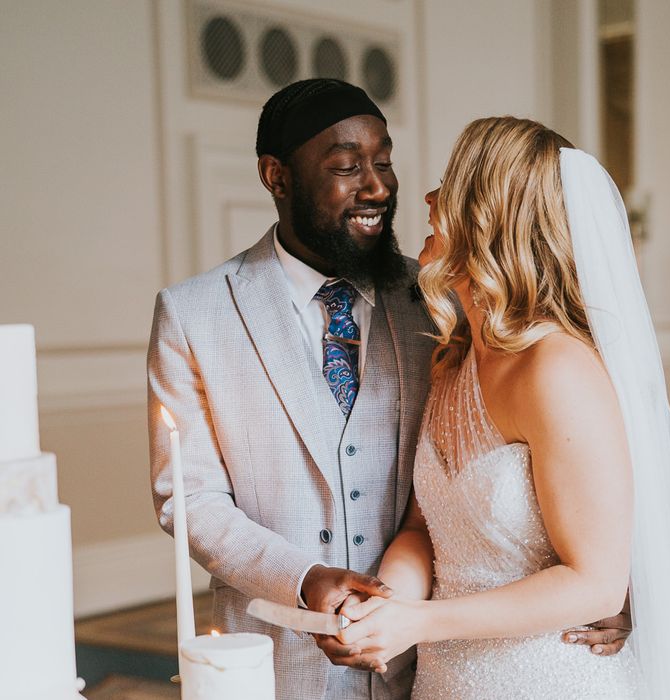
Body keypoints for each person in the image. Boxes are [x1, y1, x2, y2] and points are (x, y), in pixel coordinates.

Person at [148, 82, 632, 700]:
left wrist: (610, 591)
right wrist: (306, 579)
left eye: (385, 162)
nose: (381, 187)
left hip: (436, 665)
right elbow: (191, 499)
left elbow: (590, 504)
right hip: (283, 660)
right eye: (349, 167)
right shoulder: (194, 314)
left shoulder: (433, 302)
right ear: (276, 176)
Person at [333, 117, 670, 699]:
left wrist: (421, 623)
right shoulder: (454, 359)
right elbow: (422, 526)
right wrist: (384, 602)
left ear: (491, 220)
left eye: (451, 187)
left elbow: (597, 585)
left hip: (551, 678)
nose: (429, 199)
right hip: (447, 680)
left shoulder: (557, 370)